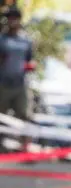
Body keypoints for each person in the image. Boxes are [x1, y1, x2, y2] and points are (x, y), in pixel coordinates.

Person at [0, 6, 33, 150]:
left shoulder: (26, 40)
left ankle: (25, 147)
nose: (12, 21)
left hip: (20, 83)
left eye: (15, 18)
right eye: (10, 18)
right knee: (1, 116)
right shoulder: (2, 39)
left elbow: (30, 59)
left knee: (25, 115)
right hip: (3, 83)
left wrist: (31, 66)